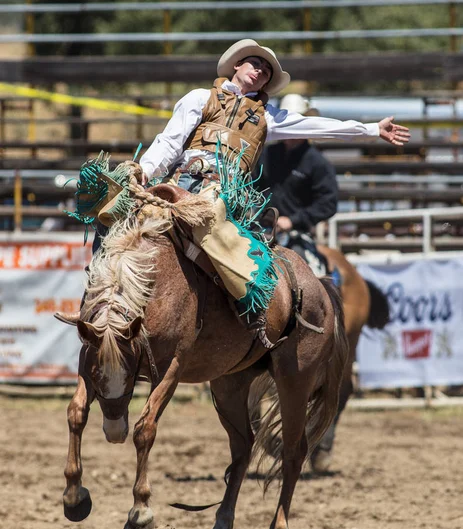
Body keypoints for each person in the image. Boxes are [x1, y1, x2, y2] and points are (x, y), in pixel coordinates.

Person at [56, 39, 410, 347]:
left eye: (267, 71)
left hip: (221, 198)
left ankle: (253, 321)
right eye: (255, 63)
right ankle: (98, 301)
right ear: (237, 65)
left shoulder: (269, 117)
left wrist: (370, 129)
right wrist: (143, 172)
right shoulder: (199, 98)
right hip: (179, 184)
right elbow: (169, 142)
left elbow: (319, 126)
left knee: (236, 254)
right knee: (113, 213)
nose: (260, 72)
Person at [255, 93, 338, 276]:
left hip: (296, 234)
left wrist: (293, 220)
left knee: (304, 276)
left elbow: (328, 203)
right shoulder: (267, 155)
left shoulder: (317, 163)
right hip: (260, 229)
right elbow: (252, 184)